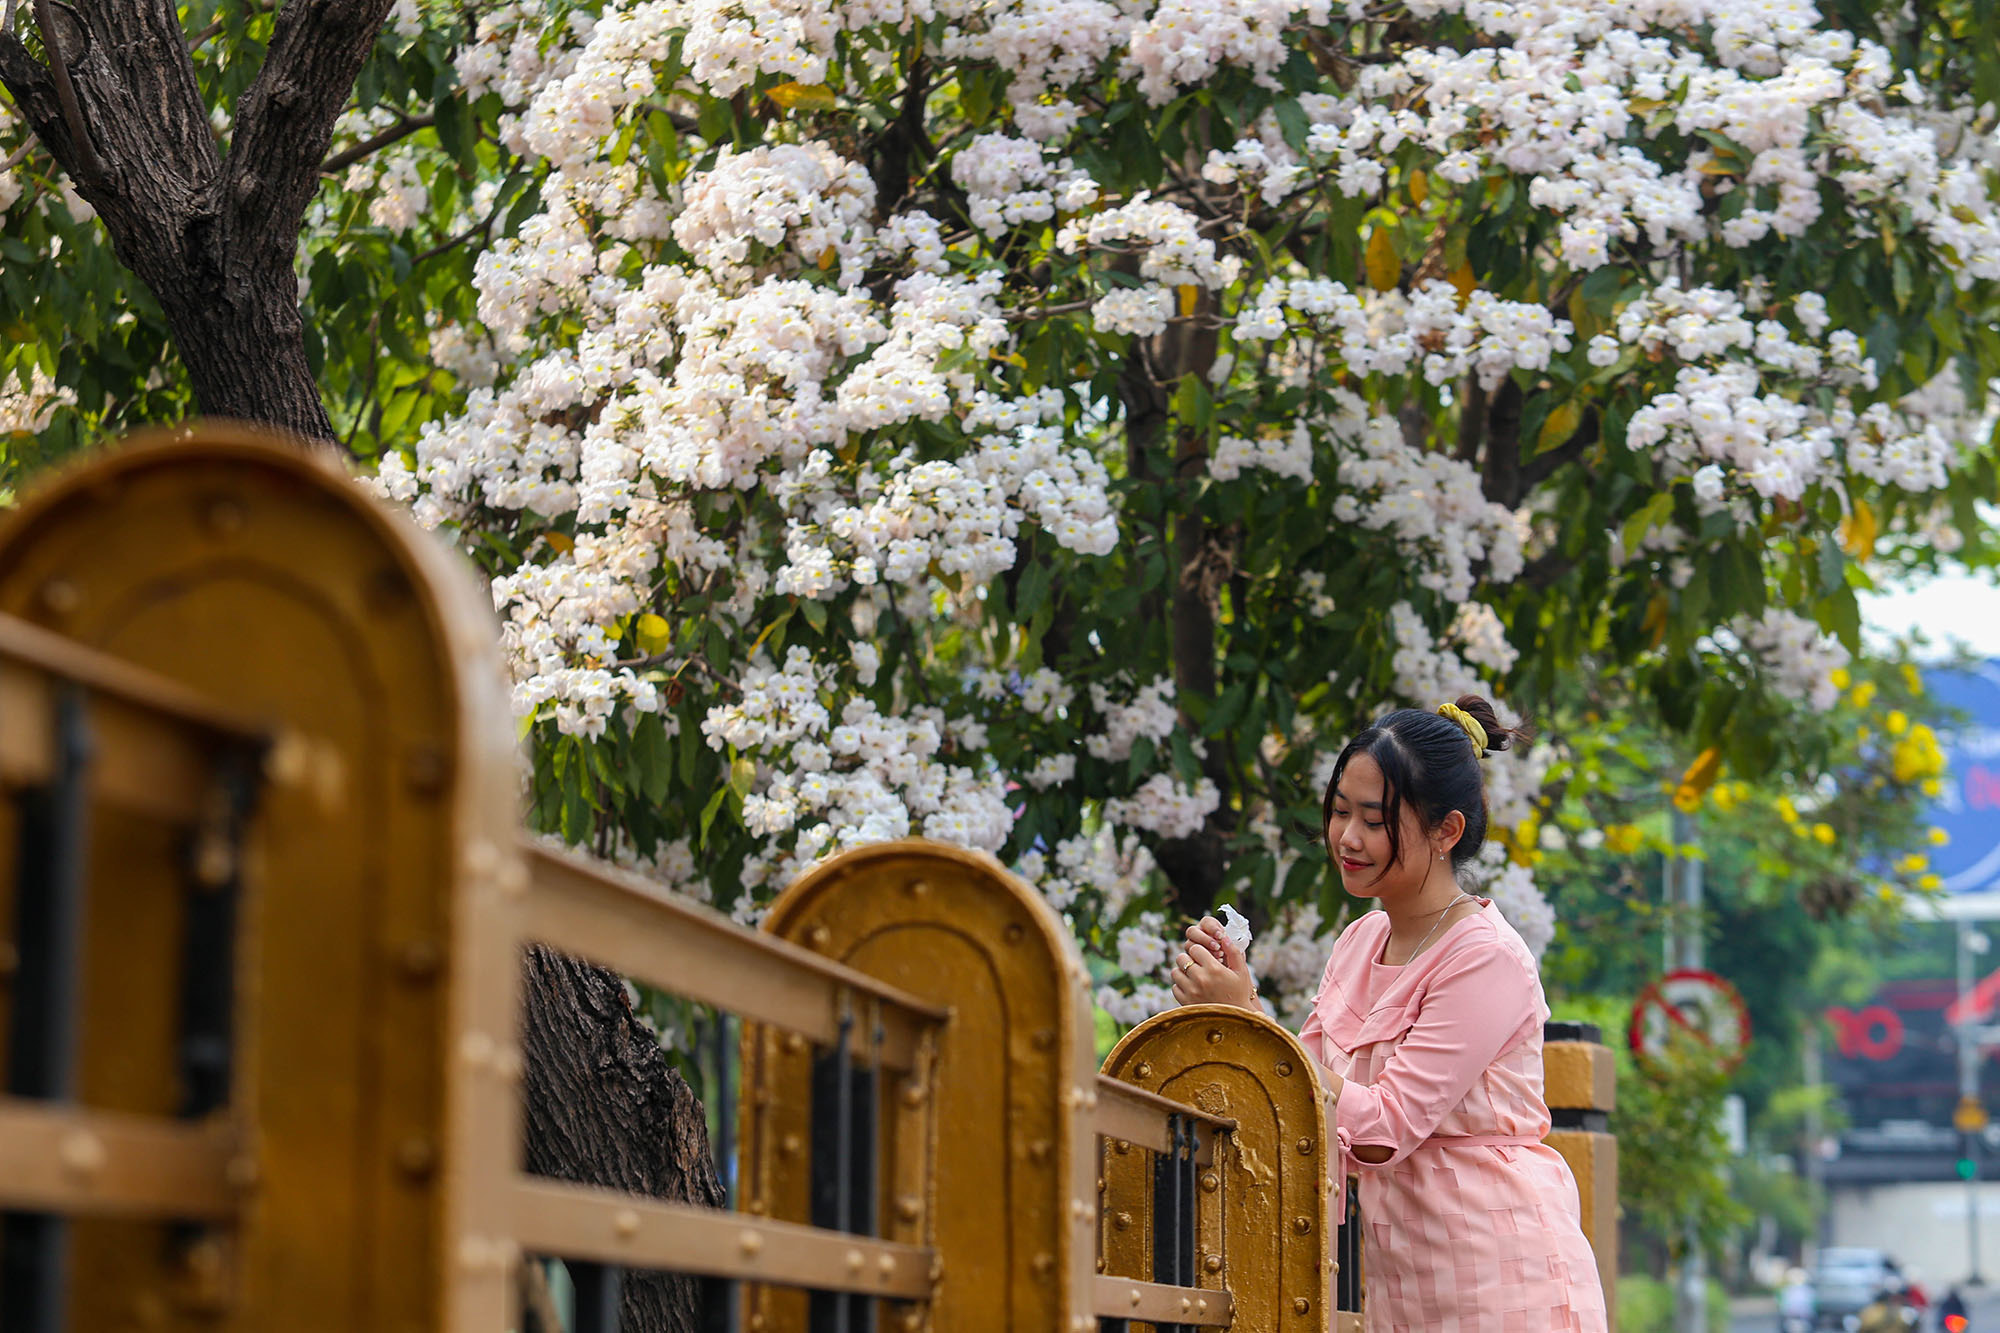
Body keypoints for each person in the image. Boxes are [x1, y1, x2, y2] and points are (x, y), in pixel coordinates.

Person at [1169, 695, 1608, 1331]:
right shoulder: (1358, 942)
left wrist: (1250, 1023)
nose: (1347, 837)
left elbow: (1383, 1130)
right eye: (1340, 810)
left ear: (1446, 831)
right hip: (1404, 1285)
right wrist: (1243, 1009)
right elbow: (1305, 1105)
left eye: (1374, 821)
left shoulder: (1485, 958)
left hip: (1503, 1280)